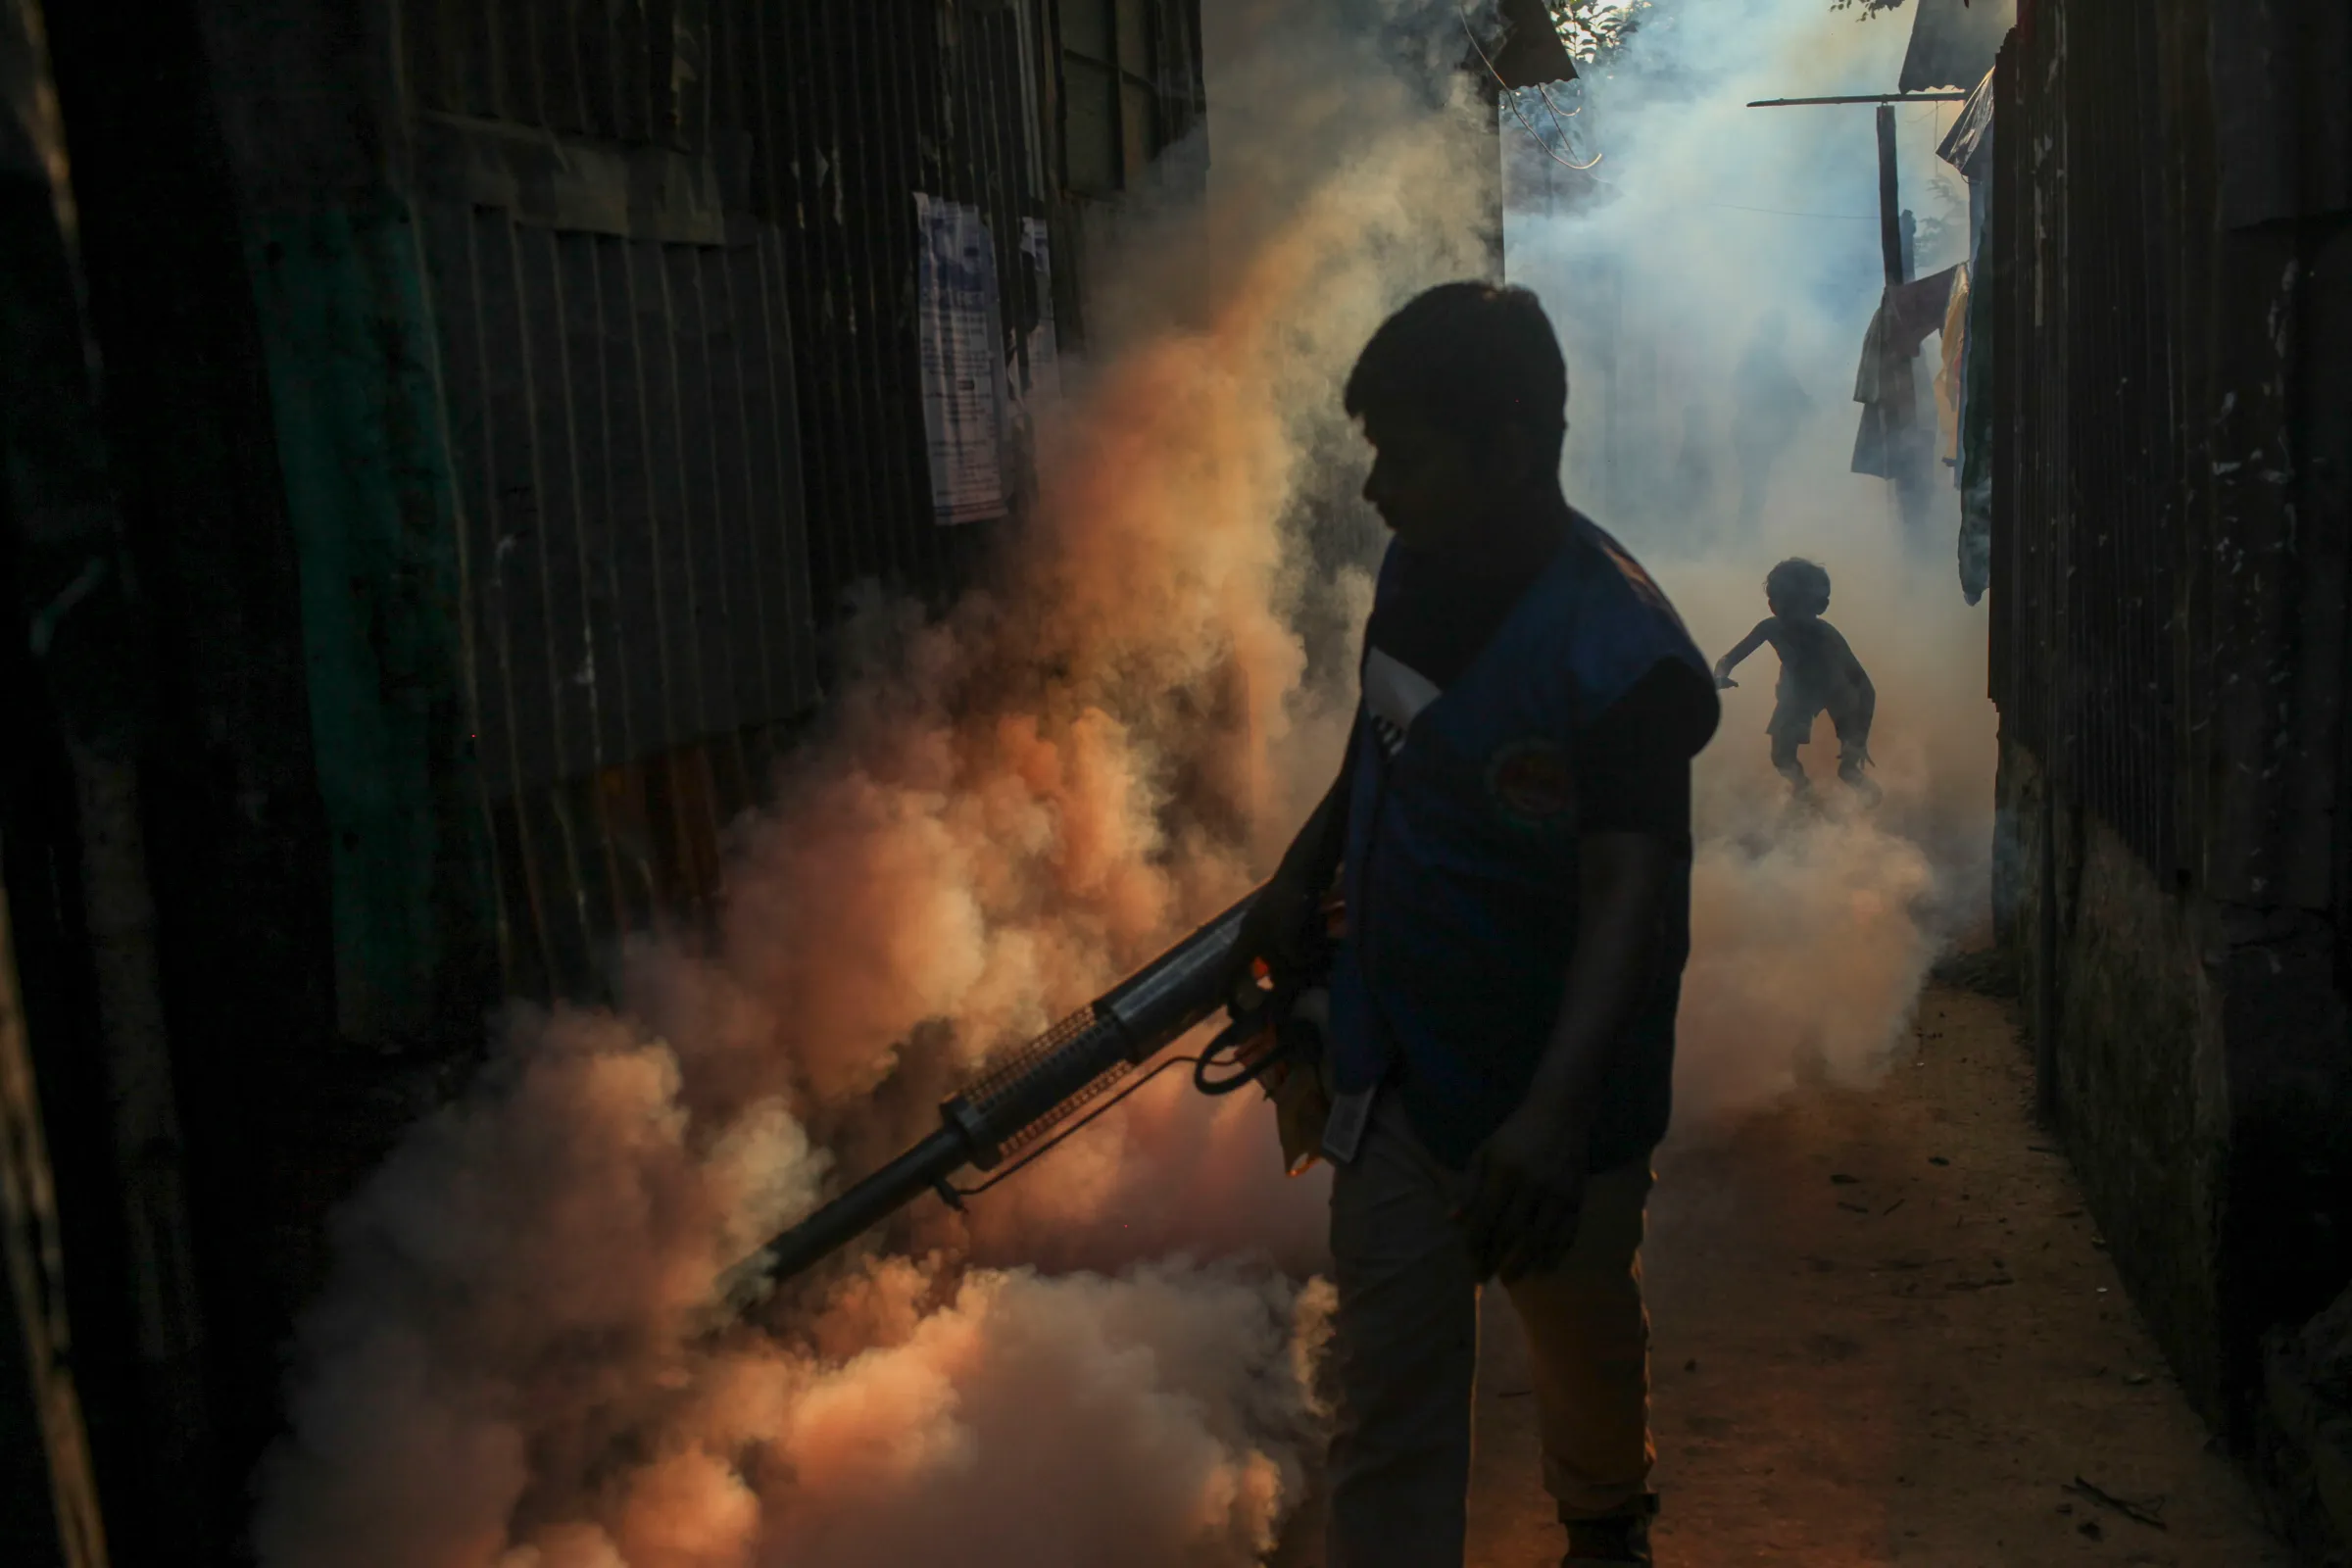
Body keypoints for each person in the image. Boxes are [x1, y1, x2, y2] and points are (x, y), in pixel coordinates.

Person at [1226, 282, 1720, 1568]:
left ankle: (1606, 1528)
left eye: (1404, 451)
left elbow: (1634, 898)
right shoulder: (1416, 572)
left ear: (1508, 446)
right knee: (1388, 1405)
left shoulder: (1621, 655)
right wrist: (1303, 864)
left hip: (1562, 1094)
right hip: (1394, 1064)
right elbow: (1388, 729)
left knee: (1581, 1343)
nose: (1378, 486)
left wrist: (1553, 1120)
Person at [1712, 558, 1878, 803]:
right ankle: (1806, 794)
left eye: (1796, 604)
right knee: (1782, 757)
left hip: (1835, 690)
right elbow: (1730, 658)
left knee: (1849, 745)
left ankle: (1851, 772)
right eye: (1783, 605)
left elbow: (1864, 687)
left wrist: (1859, 739)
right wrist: (1720, 675)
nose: (1790, 615)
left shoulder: (1828, 637)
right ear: (1773, 606)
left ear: (1820, 606)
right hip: (1797, 693)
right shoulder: (1771, 628)